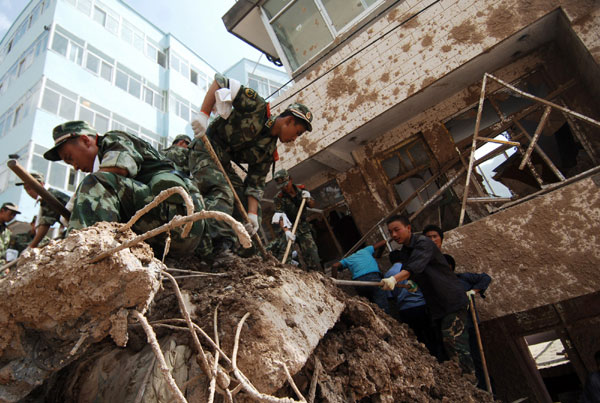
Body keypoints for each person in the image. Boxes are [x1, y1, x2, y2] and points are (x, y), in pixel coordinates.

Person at [189, 72, 313, 255]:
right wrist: (203, 115)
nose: (295, 138)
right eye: (297, 132)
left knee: (249, 208)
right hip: (205, 150)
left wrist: (252, 216)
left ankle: (243, 254)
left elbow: (255, 185)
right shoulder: (257, 107)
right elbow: (220, 81)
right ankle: (217, 248)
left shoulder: (268, 152)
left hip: (223, 163)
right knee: (223, 191)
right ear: (289, 120)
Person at [43, 120, 208, 257]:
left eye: (70, 158)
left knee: (96, 183)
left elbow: (120, 167)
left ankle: (83, 255)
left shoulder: (114, 139)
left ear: (86, 140)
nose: (75, 167)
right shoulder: (108, 179)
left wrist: (78, 201)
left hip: (179, 221)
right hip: (169, 230)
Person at [382, 215, 475, 377]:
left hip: (451, 300)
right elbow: (411, 273)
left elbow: (414, 267)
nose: (394, 235)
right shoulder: (405, 252)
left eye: (397, 230)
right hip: (436, 306)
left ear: (409, 228)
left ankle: (471, 383)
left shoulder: (424, 243)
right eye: (390, 232)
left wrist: (393, 279)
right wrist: (412, 283)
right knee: (445, 348)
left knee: (454, 344)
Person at [423, 223, 492, 389]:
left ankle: (485, 392)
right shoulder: (428, 269)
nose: (432, 240)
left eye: (435, 237)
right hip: (445, 321)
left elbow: (485, 278)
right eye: (428, 238)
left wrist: (473, 291)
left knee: (475, 358)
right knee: (453, 358)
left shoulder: (460, 279)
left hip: (468, 323)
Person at [271, 169, 321, 270]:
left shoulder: (301, 189)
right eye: (282, 186)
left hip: (303, 227)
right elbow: (280, 216)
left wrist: (308, 198)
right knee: (288, 255)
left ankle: (318, 275)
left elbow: (312, 205)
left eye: (286, 184)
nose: (284, 188)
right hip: (289, 228)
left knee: (312, 254)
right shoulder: (278, 198)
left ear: (290, 179)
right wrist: (287, 232)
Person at [332, 239, 390, 313]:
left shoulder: (347, 259)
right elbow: (384, 242)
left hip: (359, 283)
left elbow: (334, 266)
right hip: (373, 278)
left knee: (368, 308)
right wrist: (378, 255)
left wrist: (334, 282)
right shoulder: (366, 250)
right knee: (382, 307)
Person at [16, 172, 70, 249]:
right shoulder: (48, 195)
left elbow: (45, 225)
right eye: (26, 189)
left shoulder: (48, 196)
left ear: (40, 184)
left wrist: (31, 246)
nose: (28, 192)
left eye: (29, 188)